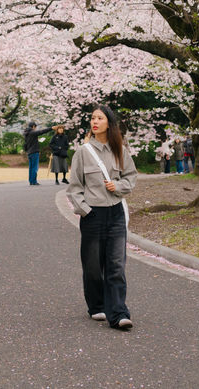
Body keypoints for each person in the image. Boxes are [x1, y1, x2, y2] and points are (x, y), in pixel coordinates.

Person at [67, 105, 137, 331]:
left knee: (116, 265)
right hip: (93, 214)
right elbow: (75, 188)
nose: (94, 122)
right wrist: (85, 210)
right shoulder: (83, 152)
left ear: (109, 123)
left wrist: (117, 186)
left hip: (115, 212)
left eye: (100, 118)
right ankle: (96, 304)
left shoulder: (120, 151)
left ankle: (118, 313)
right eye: (92, 118)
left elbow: (131, 178)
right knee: (93, 266)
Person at [23, 121, 50, 185]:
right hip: (34, 151)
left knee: (31, 167)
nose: (35, 129)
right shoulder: (32, 132)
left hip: (29, 152)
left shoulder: (27, 133)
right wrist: (51, 128)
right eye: (35, 127)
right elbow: (42, 132)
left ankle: (31, 181)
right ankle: (34, 181)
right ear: (33, 126)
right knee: (35, 167)